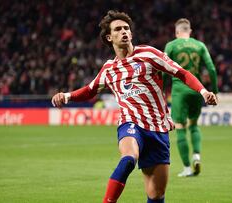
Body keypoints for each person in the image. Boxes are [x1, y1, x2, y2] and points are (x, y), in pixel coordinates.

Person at [52, 11, 217, 203]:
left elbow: (181, 73)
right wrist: (66, 96)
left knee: (156, 194)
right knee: (129, 157)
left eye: (126, 28)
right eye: (118, 29)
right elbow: (90, 90)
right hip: (131, 123)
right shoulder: (108, 69)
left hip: (158, 128)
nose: (124, 31)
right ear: (109, 37)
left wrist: (204, 92)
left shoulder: (149, 54)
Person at [164, 18, 219, 177]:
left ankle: (187, 168)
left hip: (179, 90)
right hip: (197, 89)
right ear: (190, 31)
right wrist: (214, 91)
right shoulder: (200, 45)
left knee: (180, 127)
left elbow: (163, 70)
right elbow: (212, 69)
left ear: (177, 32)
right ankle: (197, 156)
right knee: (194, 125)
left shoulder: (171, 46)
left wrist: (161, 90)